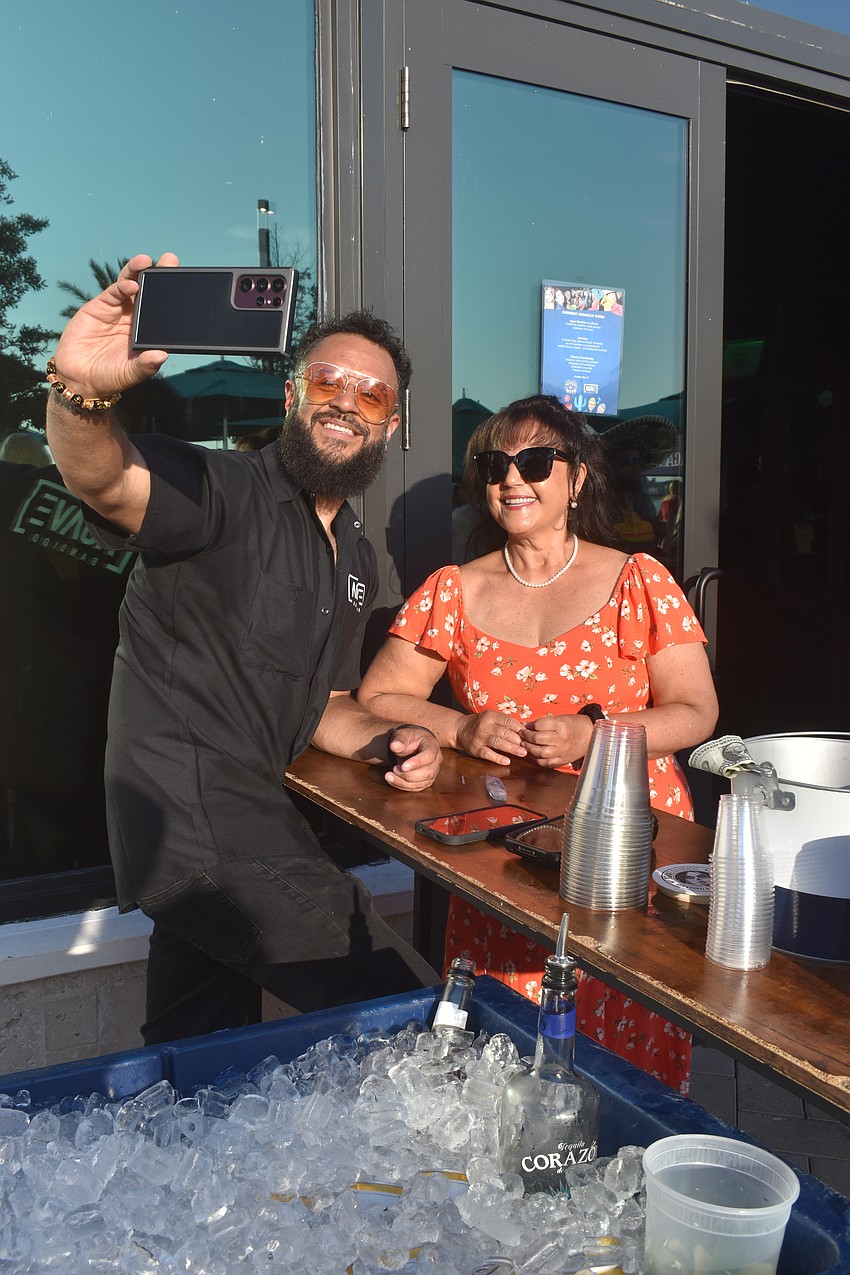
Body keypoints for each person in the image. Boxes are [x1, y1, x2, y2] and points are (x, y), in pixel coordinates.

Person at [44, 252, 443, 1045]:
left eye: (372, 394)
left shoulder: (358, 557)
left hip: (248, 823)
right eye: (328, 382)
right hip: (198, 829)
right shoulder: (224, 492)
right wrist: (79, 390)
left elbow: (326, 704)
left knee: (199, 1056)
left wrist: (398, 738)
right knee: (407, 1012)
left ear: (391, 426)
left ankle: (171, 1155)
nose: (347, 404)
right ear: (293, 394)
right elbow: (108, 480)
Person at [357, 394, 719, 1092]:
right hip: (506, 854)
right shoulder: (453, 591)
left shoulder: (637, 580)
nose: (512, 478)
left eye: (535, 461)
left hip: (628, 846)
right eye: (496, 464)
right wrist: (460, 726)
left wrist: (597, 732)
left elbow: (697, 710)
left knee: (626, 1040)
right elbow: (379, 697)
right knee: (508, 1046)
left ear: (577, 478)